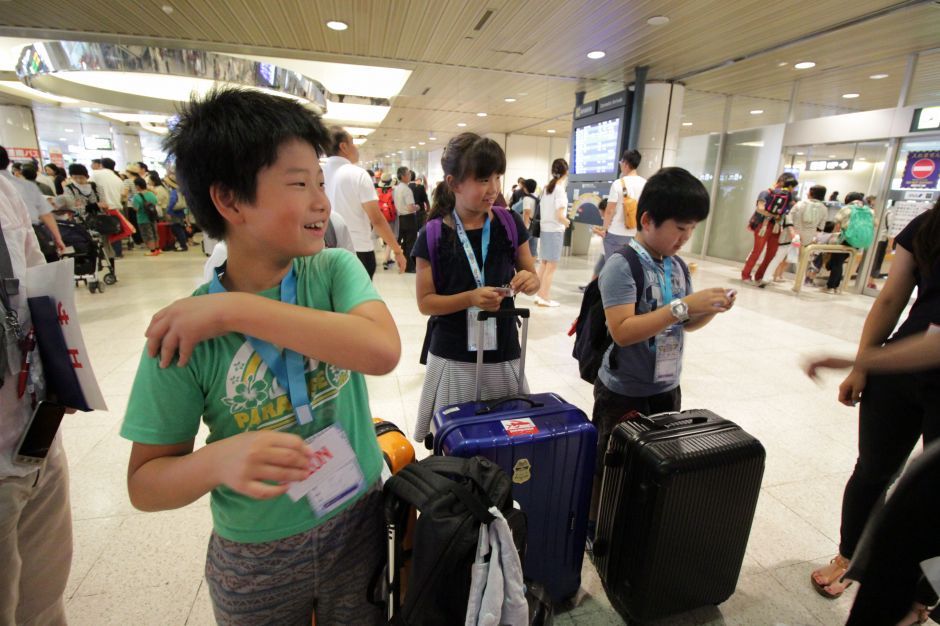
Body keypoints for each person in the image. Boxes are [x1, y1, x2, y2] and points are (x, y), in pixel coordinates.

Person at [120, 87, 400, 625]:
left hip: (359, 519)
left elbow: (381, 350)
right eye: (299, 184)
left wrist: (232, 312)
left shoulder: (333, 270)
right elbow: (144, 484)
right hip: (257, 556)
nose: (321, 201)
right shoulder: (184, 333)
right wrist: (217, 460)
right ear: (229, 201)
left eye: (320, 181)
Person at [807, 196, 940, 604]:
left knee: (936, 491)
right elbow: (889, 300)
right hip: (897, 374)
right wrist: (863, 367)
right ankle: (849, 556)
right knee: (872, 471)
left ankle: (924, 592)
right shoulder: (927, 226)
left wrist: (858, 358)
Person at [588, 167, 735, 526]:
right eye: (680, 228)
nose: (686, 237)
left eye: (693, 229)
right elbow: (622, 331)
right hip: (624, 391)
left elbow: (685, 324)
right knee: (610, 467)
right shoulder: (622, 264)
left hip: (666, 388)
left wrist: (709, 309)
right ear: (649, 220)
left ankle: (638, 528)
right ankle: (600, 528)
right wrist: (683, 307)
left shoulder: (677, 265)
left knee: (654, 466)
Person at [411, 133, 539, 443]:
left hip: (504, 349)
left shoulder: (509, 223)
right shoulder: (433, 234)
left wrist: (530, 281)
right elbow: (426, 303)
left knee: (508, 442)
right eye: (483, 179)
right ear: (454, 183)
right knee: (457, 445)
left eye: (497, 177)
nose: (493, 188)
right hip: (454, 355)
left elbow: (530, 274)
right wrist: (470, 297)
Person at [0, 173, 73, 626]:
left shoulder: (5, 190)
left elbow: (34, 288)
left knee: (43, 603)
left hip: (36, 439)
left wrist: (64, 375)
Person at [322, 127, 404, 278]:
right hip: (357, 249)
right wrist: (397, 251)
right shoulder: (357, 174)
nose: (356, 147)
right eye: (353, 142)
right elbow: (377, 219)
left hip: (324, 249)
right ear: (343, 146)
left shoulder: (317, 172)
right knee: (359, 299)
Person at [0, 146, 65, 253]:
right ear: (7, 162)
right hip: (34, 236)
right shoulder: (27, 186)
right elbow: (46, 214)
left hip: (7, 244)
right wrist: (58, 238)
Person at [741, 173, 798, 286]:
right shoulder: (766, 193)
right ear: (781, 181)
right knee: (757, 251)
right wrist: (774, 215)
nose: (789, 188)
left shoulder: (788, 197)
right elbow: (760, 208)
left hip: (776, 227)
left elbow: (789, 210)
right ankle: (746, 275)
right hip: (763, 225)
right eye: (788, 184)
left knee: (771, 254)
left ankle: (759, 276)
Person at [534, 158, 570, 307]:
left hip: (545, 229)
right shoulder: (560, 189)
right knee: (551, 266)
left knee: (544, 263)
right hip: (555, 230)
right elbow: (560, 215)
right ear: (565, 172)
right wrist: (567, 222)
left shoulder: (547, 188)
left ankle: (538, 294)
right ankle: (544, 297)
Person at [598, 149, 646, 259]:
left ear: (625, 163)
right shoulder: (645, 184)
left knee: (611, 265)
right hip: (636, 233)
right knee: (632, 265)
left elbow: (609, 210)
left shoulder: (618, 184)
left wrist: (604, 229)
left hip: (616, 232)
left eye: (621, 162)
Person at [823, 191, 874, 294]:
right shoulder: (869, 211)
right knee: (839, 262)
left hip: (846, 239)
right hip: (859, 241)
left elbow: (837, 223)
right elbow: (875, 224)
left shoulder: (847, 209)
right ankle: (835, 286)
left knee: (837, 262)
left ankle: (831, 286)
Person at [788, 184, 829, 279]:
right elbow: (821, 226)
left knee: (785, 256)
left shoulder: (800, 203)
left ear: (811, 193)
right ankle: (799, 281)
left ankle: (775, 276)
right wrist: (815, 237)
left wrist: (792, 230)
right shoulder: (824, 208)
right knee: (803, 260)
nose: (807, 193)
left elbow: (790, 216)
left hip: (794, 234)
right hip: (809, 236)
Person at [394, 166, 420, 273]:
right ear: (403, 176)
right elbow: (410, 208)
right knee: (411, 242)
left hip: (400, 219)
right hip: (409, 219)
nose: (410, 175)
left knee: (404, 243)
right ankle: (410, 267)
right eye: (408, 174)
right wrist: (417, 207)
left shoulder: (396, 189)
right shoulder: (407, 190)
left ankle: (403, 265)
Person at [130, 176, 160, 256]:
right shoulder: (151, 194)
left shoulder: (137, 197)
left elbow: (136, 209)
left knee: (147, 234)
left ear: (138, 186)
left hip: (143, 219)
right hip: (152, 217)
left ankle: (152, 250)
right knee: (154, 233)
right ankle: (157, 249)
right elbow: (155, 202)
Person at [164, 173, 190, 252]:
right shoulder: (180, 190)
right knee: (179, 228)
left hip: (174, 212)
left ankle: (183, 245)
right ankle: (183, 244)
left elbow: (172, 202)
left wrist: (168, 212)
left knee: (177, 229)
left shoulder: (174, 192)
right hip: (180, 211)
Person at [519, 179, 539, 258]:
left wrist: (524, 227)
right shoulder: (537, 197)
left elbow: (527, 213)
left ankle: (526, 268)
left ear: (526, 188)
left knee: (523, 250)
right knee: (533, 250)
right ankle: (532, 268)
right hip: (536, 225)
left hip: (529, 226)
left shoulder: (527, 199)